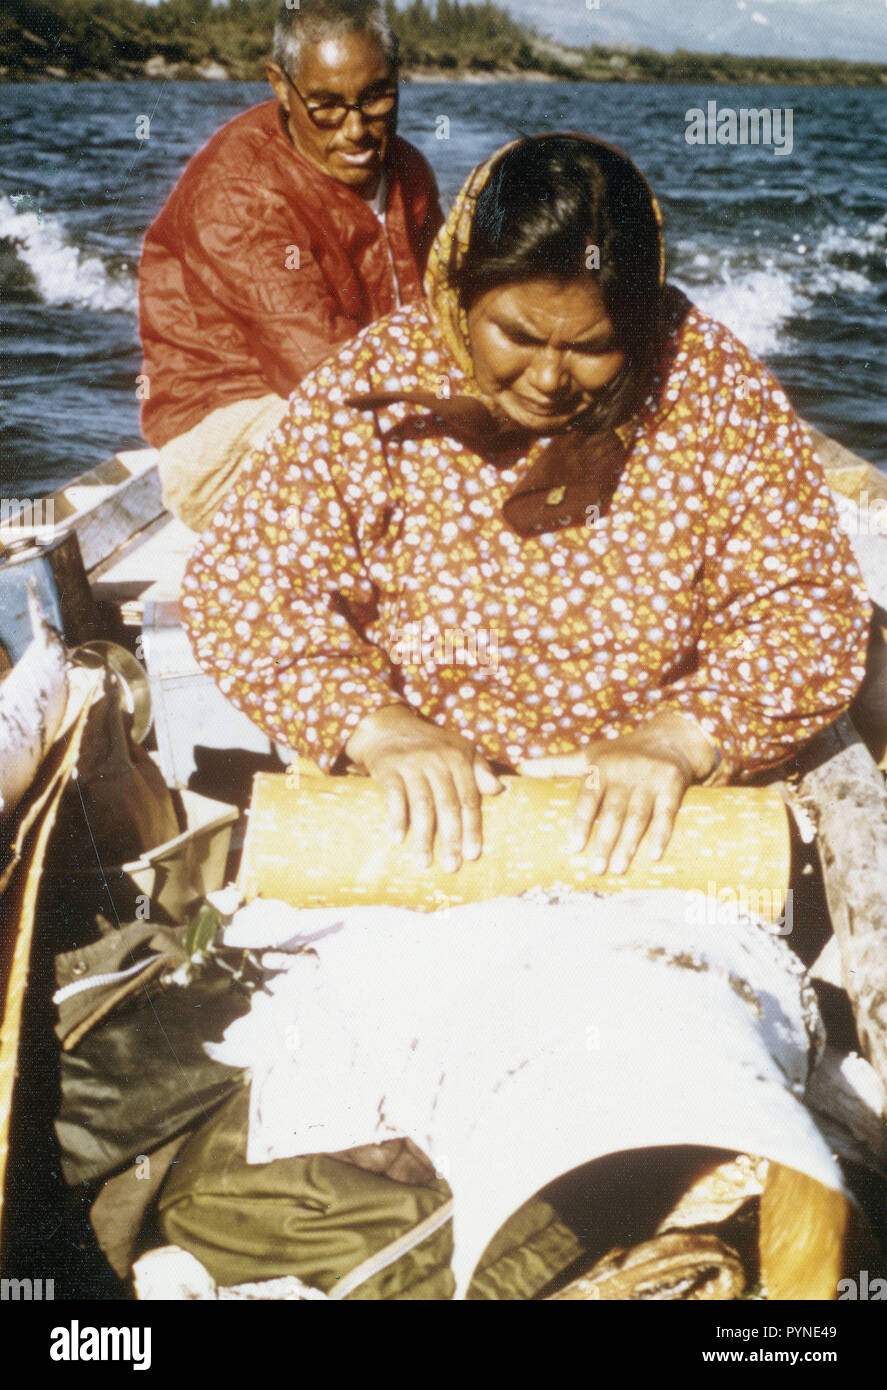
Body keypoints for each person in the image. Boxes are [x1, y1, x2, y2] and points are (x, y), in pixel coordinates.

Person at [181, 134, 871, 875]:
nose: (547, 378)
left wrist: (682, 738)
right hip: (418, 814)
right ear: (458, 286)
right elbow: (244, 591)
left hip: (661, 820)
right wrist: (379, 729)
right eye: (516, 334)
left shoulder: (706, 383)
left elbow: (808, 609)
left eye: (593, 347)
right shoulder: (373, 385)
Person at [138, 0, 443, 532]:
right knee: (392, 466)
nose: (356, 131)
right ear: (280, 85)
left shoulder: (408, 169)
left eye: (376, 99)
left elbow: (451, 309)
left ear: (398, 77)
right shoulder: (239, 193)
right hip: (227, 437)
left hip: (365, 403)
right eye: (325, 105)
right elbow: (323, 375)